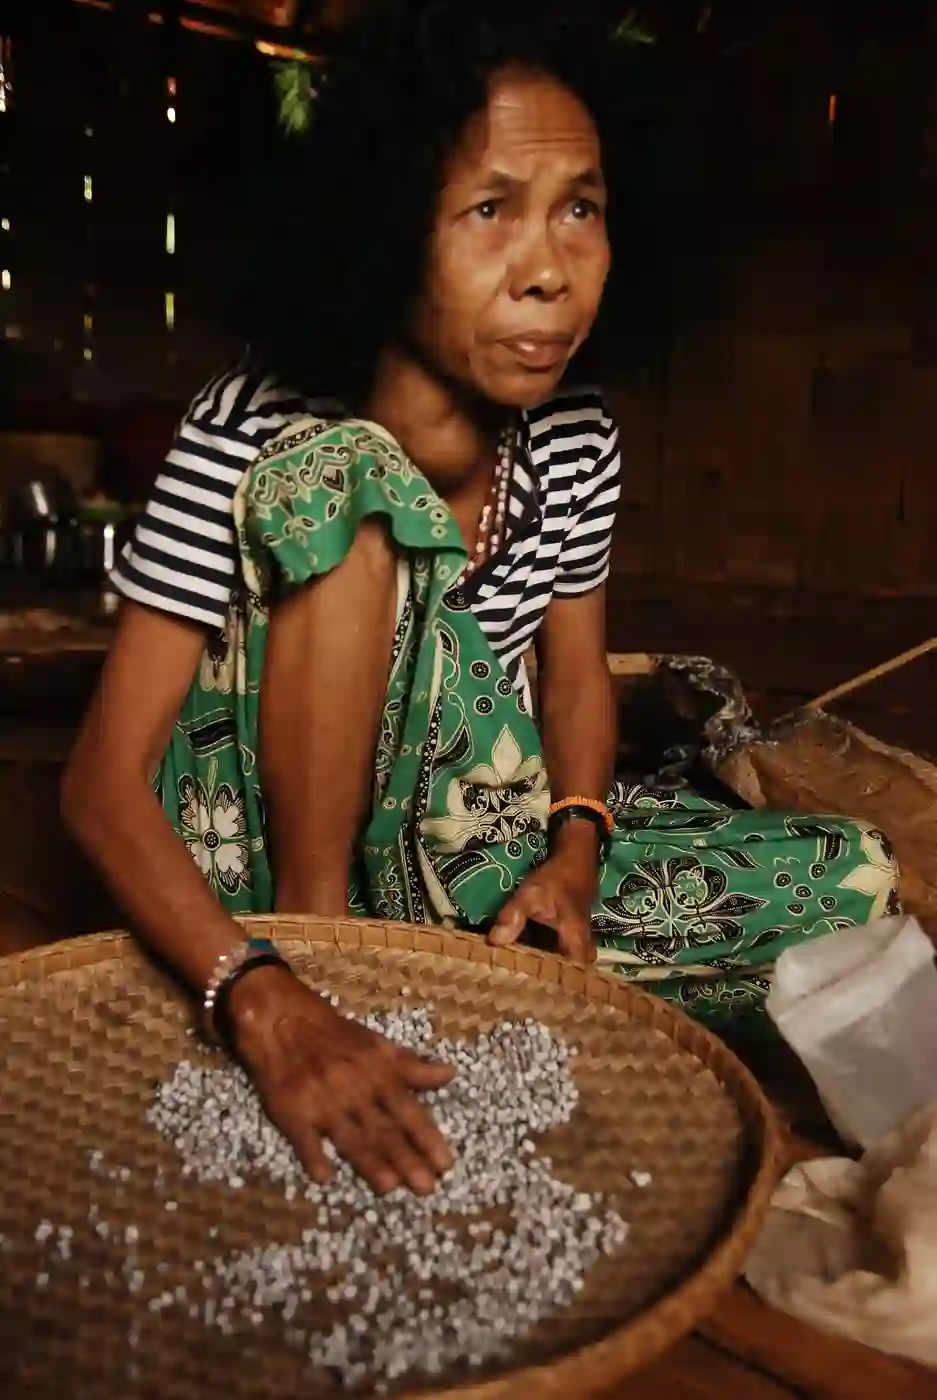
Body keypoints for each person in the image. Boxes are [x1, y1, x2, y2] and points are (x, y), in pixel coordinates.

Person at [62, 0, 898, 1196]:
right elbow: (100, 780)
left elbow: (573, 677)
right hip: (250, 866)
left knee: (850, 876)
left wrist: (574, 851)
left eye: (579, 209)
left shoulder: (575, 434)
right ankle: (331, 957)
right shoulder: (252, 421)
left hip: (461, 848)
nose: (549, 269)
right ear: (385, 230)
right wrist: (266, 997)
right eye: (490, 210)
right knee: (353, 475)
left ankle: (455, 953)